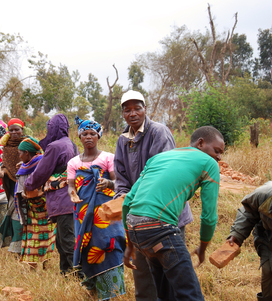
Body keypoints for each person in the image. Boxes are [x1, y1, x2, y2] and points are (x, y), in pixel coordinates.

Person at [122, 126, 225, 301]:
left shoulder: (158, 158)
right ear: (200, 143)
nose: (219, 157)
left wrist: (130, 244)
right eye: (217, 151)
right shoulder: (209, 163)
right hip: (159, 229)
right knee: (191, 295)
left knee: (166, 293)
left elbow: (127, 202)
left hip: (136, 229)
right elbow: (209, 216)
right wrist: (203, 247)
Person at [114, 90, 193, 301]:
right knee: (142, 274)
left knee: (171, 270)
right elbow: (120, 175)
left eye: (137, 108)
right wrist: (121, 196)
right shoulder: (123, 140)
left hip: (165, 214)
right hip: (139, 217)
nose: (133, 113)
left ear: (145, 109)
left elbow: (161, 176)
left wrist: (133, 198)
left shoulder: (159, 133)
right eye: (127, 109)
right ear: (122, 113)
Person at [67, 117, 126, 300]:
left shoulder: (108, 158)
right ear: (79, 137)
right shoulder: (73, 163)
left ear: (99, 136)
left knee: (109, 244)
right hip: (83, 214)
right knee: (89, 247)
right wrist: (72, 193)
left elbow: (119, 183)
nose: (89, 137)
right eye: (84, 134)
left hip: (106, 214)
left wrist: (108, 182)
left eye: (93, 133)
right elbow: (71, 185)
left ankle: (112, 291)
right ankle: (93, 286)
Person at [24, 114, 78, 275]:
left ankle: (75, 273)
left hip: (62, 198)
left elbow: (42, 171)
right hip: (71, 195)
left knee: (66, 239)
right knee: (63, 238)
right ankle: (66, 272)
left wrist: (28, 185)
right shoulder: (72, 144)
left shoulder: (55, 146)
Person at [227, 181, 272, 301]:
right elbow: (248, 213)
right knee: (268, 275)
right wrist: (237, 235)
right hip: (269, 239)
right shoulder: (263, 196)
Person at [15, 137, 56, 267]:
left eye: (20, 153)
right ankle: (33, 264)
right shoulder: (25, 165)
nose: (19, 156)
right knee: (34, 236)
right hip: (31, 207)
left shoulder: (41, 164)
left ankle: (45, 264)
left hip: (44, 206)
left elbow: (48, 182)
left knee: (44, 236)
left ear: (27, 153)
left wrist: (35, 194)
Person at [0, 118, 28, 254]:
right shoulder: (6, 147)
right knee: (15, 214)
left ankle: (25, 245)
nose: (14, 132)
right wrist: (3, 170)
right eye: (11, 130)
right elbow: (5, 164)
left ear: (22, 130)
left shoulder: (27, 144)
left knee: (24, 215)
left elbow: (36, 160)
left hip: (26, 187)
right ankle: (16, 245)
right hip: (12, 187)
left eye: (17, 130)